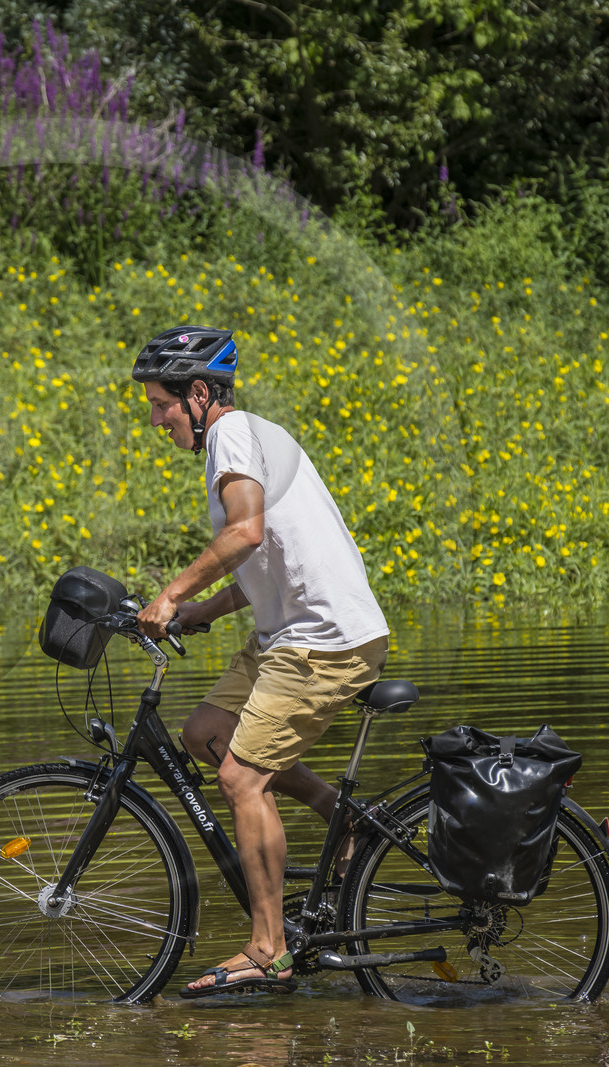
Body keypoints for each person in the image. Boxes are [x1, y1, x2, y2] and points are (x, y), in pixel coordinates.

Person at [130, 324, 390, 997]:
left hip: (322, 638)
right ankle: (342, 814)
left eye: (161, 405)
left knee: (242, 779)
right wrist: (198, 613)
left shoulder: (232, 434)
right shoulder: (241, 439)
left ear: (197, 393)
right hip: (289, 631)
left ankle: (269, 947)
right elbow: (265, 562)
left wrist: (171, 593)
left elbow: (246, 533)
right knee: (205, 733)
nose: (157, 420)